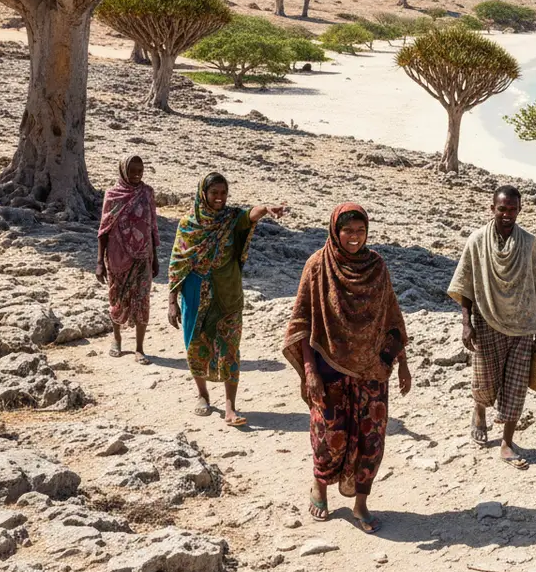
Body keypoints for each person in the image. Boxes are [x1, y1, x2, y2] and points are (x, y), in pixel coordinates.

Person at [283, 204, 411, 532]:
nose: (354, 237)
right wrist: (310, 372)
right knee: (329, 435)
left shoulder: (377, 267)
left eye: (360, 230)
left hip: (372, 370)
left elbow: (391, 317)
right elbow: (302, 325)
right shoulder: (317, 266)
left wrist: (401, 364)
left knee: (372, 438)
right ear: (334, 231)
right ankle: (320, 486)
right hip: (328, 369)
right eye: (348, 231)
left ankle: (361, 503)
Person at [167, 173, 287, 426]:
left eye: (223, 193)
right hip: (195, 294)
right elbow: (177, 263)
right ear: (203, 194)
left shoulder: (231, 219)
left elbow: (249, 216)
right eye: (214, 193)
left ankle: (231, 407)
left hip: (228, 294)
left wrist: (265, 208)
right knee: (195, 345)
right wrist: (171, 301)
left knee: (230, 349)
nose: (220, 198)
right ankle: (202, 395)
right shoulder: (189, 224)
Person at [448, 185, 536, 470]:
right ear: (492, 208)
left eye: (512, 209)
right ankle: (479, 411)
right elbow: (465, 283)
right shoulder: (477, 240)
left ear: (519, 209)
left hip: (521, 323)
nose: (507, 214)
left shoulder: (528, 242)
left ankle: (507, 443)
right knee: (486, 380)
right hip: (486, 318)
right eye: (502, 209)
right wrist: (466, 323)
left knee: (516, 385)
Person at [96, 155, 159, 364]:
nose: (137, 174)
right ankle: (116, 338)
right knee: (117, 298)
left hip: (143, 256)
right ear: (123, 171)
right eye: (132, 170)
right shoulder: (113, 195)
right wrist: (99, 262)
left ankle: (140, 348)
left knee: (142, 300)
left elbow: (151, 226)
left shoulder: (147, 193)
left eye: (140, 170)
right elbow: (104, 230)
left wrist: (155, 258)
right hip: (117, 256)